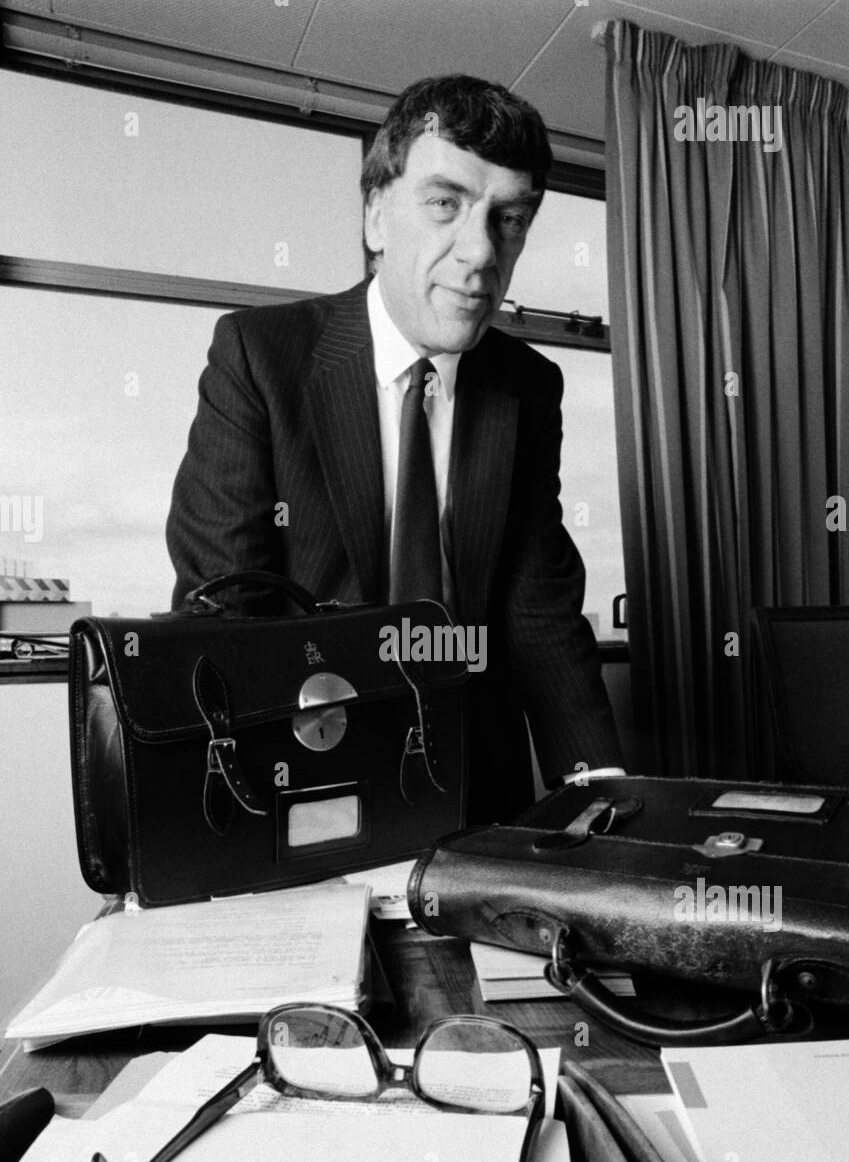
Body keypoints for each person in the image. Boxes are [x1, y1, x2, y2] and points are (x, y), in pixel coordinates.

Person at [167, 73, 624, 824]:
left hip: (479, 793)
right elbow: (225, 614)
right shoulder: (258, 356)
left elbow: (538, 613)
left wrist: (603, 797)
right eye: (445, 203)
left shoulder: (526, 387)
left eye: (510, 218)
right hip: (302, 786)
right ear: (377, 213)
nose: (480, 252)